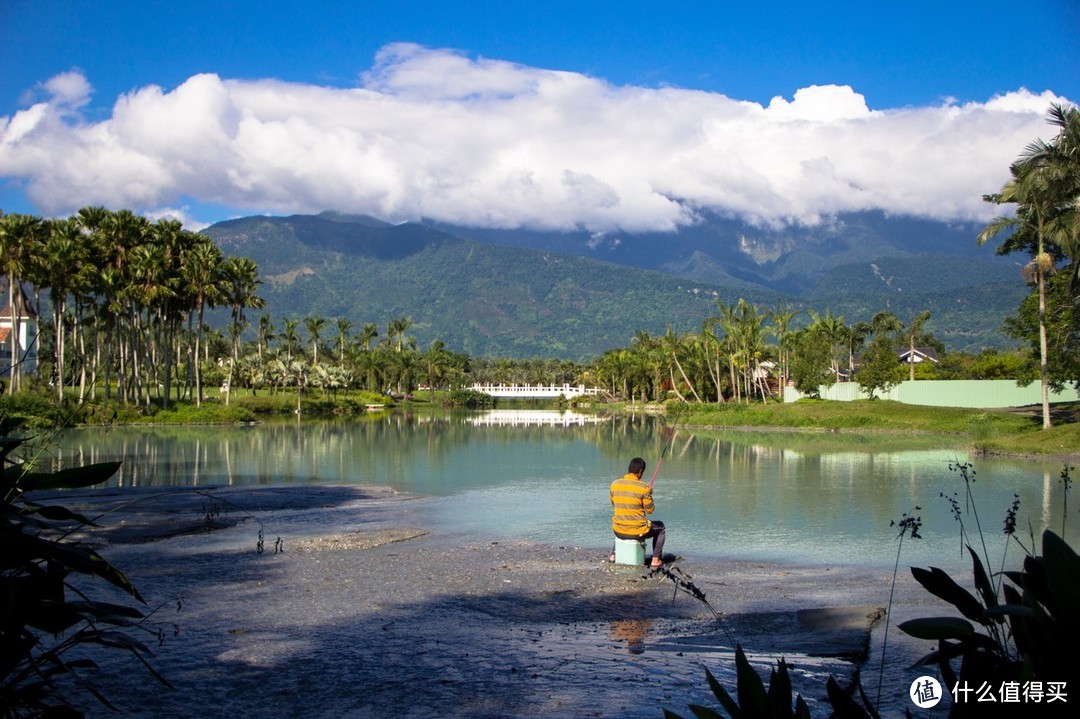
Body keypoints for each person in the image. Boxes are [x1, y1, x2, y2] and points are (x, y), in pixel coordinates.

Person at [609, 457, 666, 568]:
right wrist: (648, 495)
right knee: (661, 527)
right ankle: (656, 560)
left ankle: (613, 555)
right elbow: (650, 510)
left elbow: (613, 503)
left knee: (622, 521)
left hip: (618, 530)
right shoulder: (643, 487)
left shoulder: (614, 484)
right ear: (640, 471)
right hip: (637, 531)